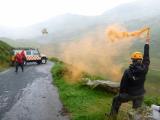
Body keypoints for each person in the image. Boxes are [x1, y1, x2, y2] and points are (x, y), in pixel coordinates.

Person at [108, 33, 150, 119]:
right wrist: (147, 44)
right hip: (140, 94)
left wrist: (122, 94)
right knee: (136, 112)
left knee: (116, 99)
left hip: (129, 94)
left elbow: (123, 85)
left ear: (133, 60)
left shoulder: (128, 71)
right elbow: (147, 58)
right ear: (140, 60)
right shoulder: (145, 68)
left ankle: (113, 116)